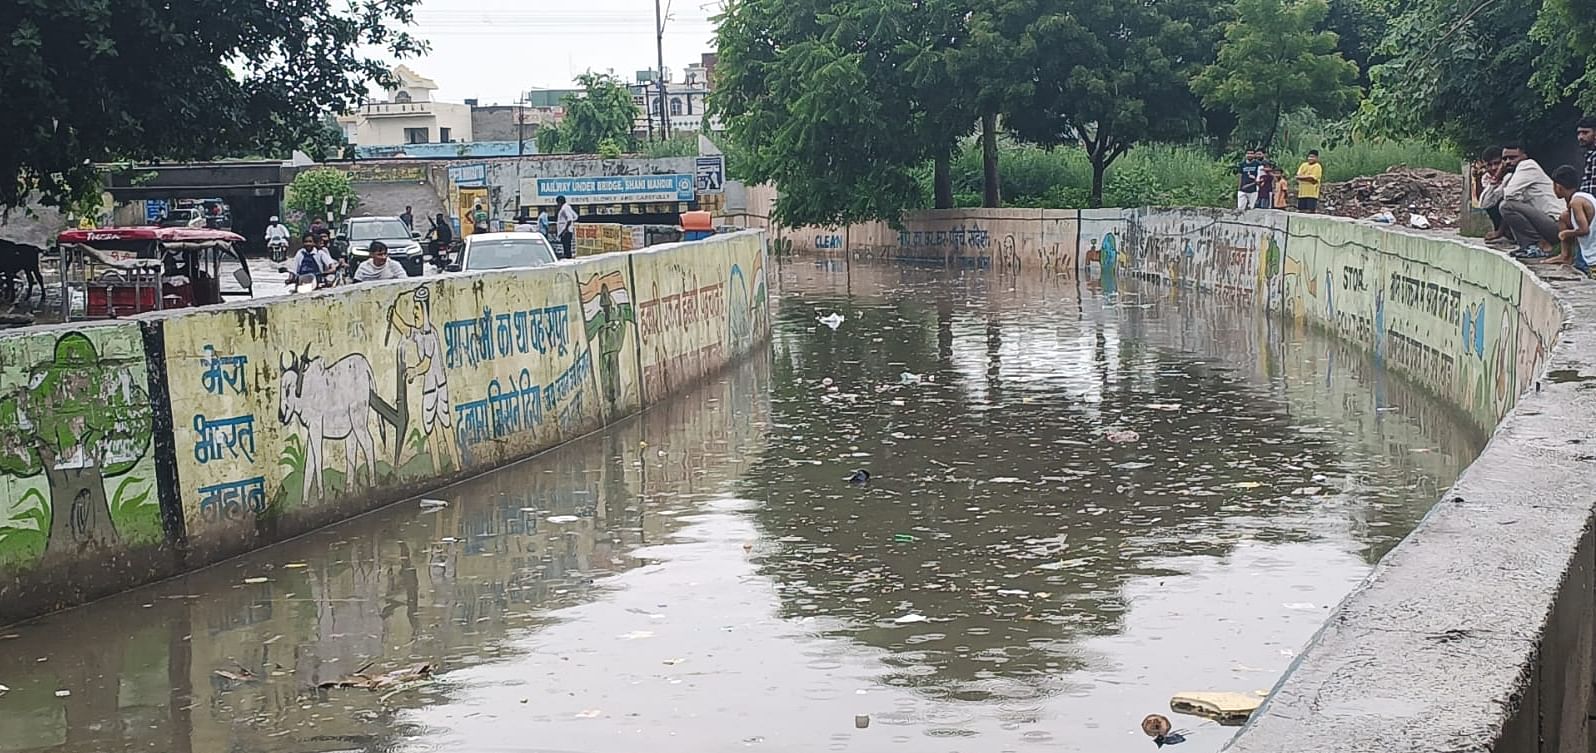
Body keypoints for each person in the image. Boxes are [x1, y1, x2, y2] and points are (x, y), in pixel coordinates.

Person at [1483, 144, 1564, 257]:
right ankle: (1529, 246)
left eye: (1513, 158)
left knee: (1506, 206)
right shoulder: (1513, 175)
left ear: (1524, 156)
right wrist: (1496, 180)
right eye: (1505, 159)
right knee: (1507, 205)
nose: (1508, 162)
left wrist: (1498, 177)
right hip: (1546, 224)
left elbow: (1509, 195)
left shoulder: (1527, 165)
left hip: (1557, 225)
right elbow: (1486, 203)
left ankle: (1536, 245)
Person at [1477, 147, 1508, 243]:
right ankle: (1500, 231)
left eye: (1497, 163)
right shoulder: (1486, 177)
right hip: (1500, 212)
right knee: (1492, 202)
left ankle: (1503, 233)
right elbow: (1485, 203)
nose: (1494, 168)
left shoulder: (1511, 175)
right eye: (1489, 165)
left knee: (1505, 203)